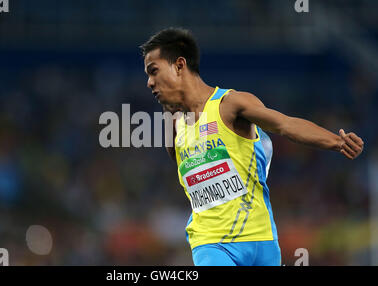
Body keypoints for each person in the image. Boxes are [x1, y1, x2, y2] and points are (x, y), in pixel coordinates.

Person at [140, 27, 364, 266]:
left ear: (179, 65)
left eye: (154, 72)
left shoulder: (231, 104)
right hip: (211, 243)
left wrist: (336, 141)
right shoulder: (172, 127)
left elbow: (284, 124)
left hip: (262, 240)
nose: (149, 83)